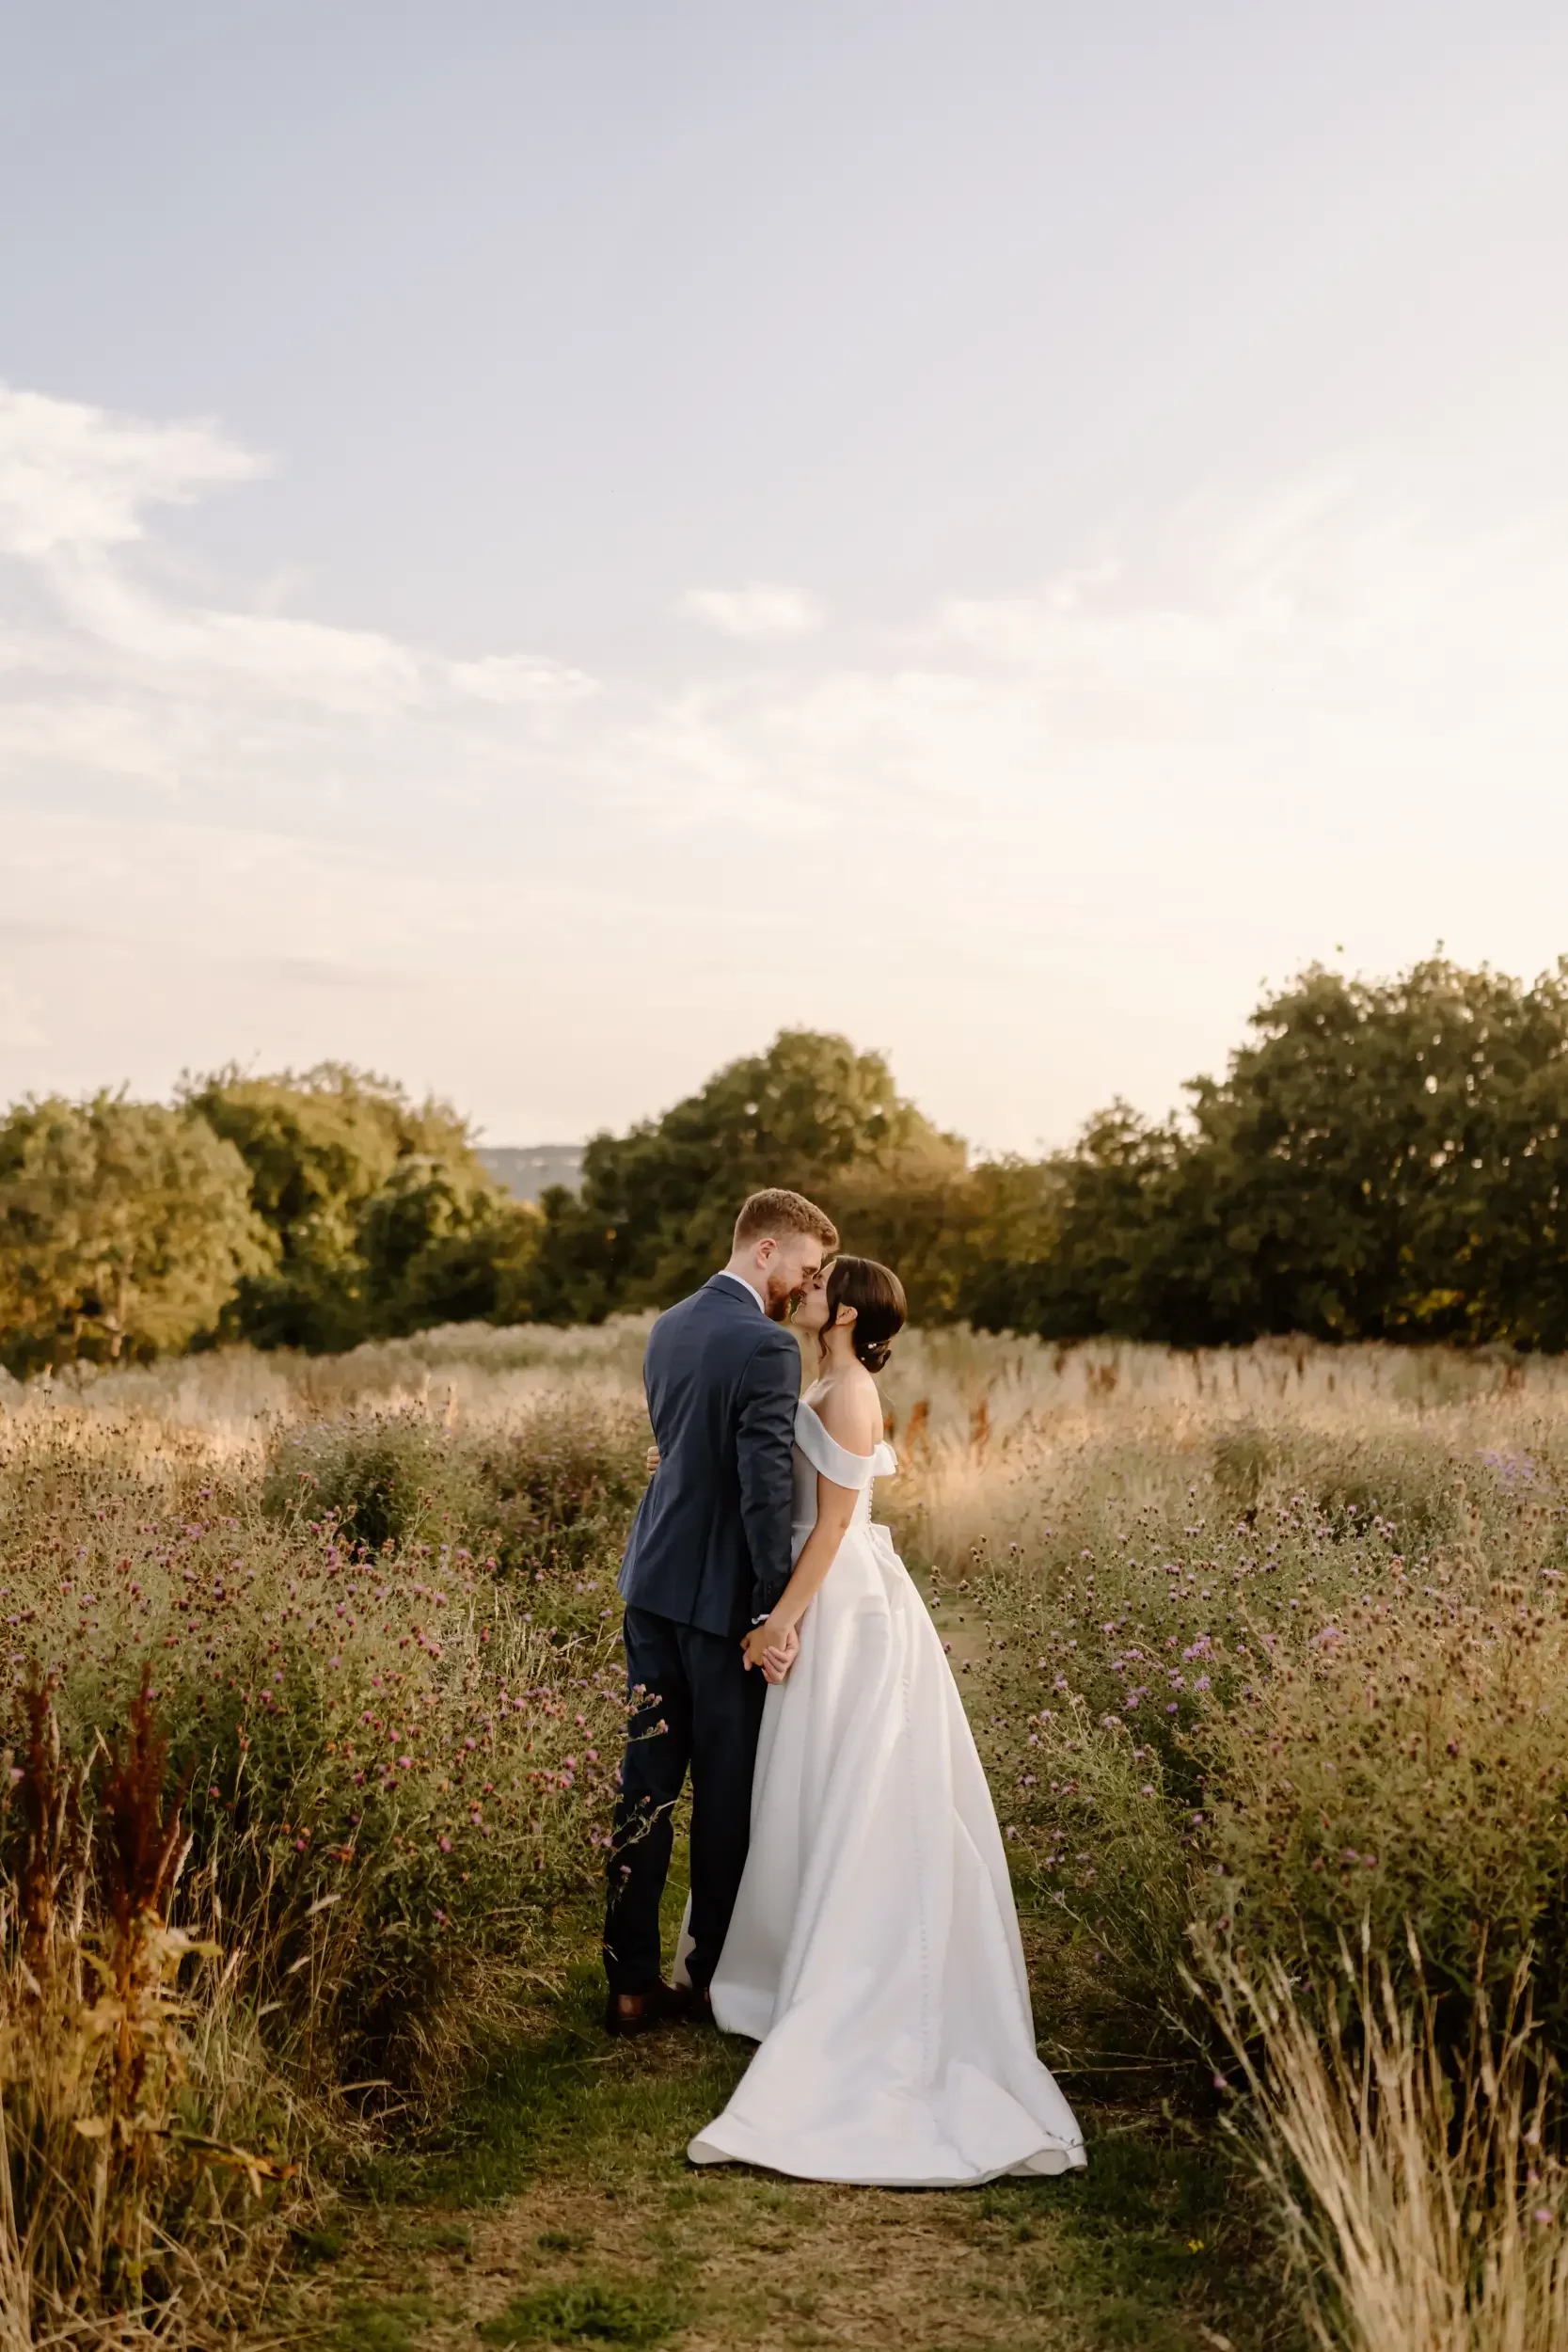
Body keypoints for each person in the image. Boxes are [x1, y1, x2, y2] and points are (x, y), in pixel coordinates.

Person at [686, 1254, 1087, 2185]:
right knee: (811, 1777)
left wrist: (778, 1619)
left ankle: (856, 1977)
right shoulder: (822, 1377)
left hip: (838, 1597)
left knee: (855, 1775)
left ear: (850, 1307)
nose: (808, 1287)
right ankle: (788, 1962)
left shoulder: (851, 1390)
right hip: (815, 1586)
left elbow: (831, 1524)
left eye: (823, 1281)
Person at [602, 1187, 838, 2036]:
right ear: (765, 1251)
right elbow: (761, 1490)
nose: (804, 1288)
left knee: (645, 1788)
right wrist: (773, 1612)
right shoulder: (766, 1348)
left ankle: (627, 1983)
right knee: (725, 1799)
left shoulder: (668, 1324)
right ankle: (712, 1981)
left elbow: (678, 1448)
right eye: (804, 1269)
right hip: (714, 1606)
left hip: (651, 1583)